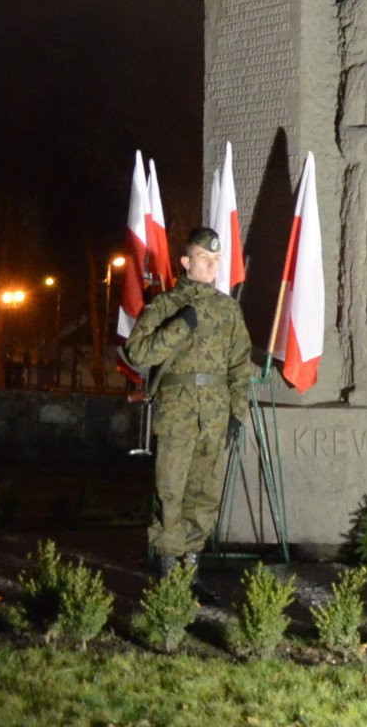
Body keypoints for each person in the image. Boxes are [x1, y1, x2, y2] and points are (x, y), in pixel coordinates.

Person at [123, 226, 254, 577]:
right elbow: (137, 352)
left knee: (205, 495)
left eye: (216, 259)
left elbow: (241, 366)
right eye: (203, 257)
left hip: (215, 415)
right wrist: (180, 326)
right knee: (171, 492)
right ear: (185, 261)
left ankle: (190, 573)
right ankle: (168, 571)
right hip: (176, 414)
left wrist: (237, 413)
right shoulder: (166, 305)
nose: (212, 265)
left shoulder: (229, 311)